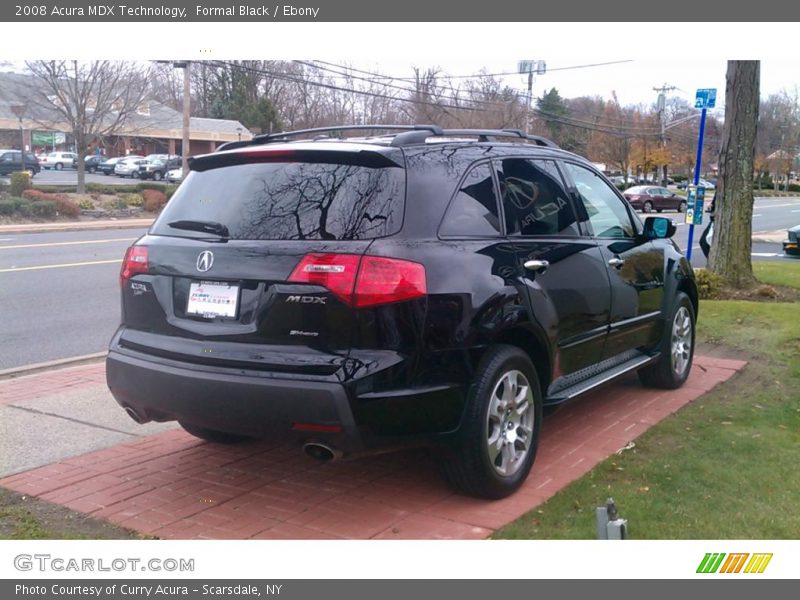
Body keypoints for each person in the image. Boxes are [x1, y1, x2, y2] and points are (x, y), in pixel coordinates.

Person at [699, 192, 716, 259]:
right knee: (705, 242)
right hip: (714, 220)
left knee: (704, 242)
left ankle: (712, 260)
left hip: (715, 220)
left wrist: (712, 206)